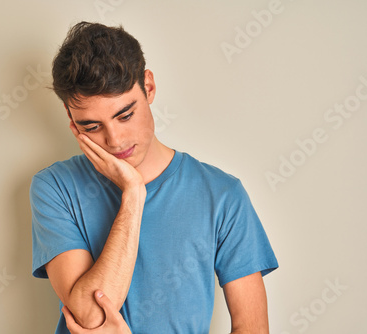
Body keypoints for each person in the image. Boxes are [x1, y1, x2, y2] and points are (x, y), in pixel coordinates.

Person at [30, 21, 279, 333]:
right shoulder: (55, 187)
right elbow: (91, 315)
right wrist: (133, 194)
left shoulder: (222, 194)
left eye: (125, 115)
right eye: (92, 126)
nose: (115, 140)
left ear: (148, 87)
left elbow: (253, 328)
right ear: (71, 118)